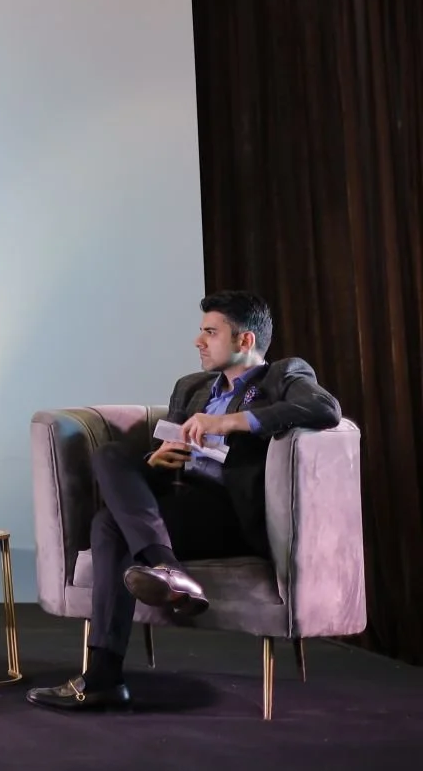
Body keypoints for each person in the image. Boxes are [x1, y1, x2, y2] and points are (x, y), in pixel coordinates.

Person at [28, 290, 341, 712]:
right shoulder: (191, 387)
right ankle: (165, 568)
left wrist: (231, 421)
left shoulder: (282, 375)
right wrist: (157, 460)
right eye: (201, 332)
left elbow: (324, 408)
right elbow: (166, 451)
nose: (199, 341)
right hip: (178, 502)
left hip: (228, 514)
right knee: (111, 456)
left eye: (210, 332)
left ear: (245, 341)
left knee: (108, 525)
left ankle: (104, 674)